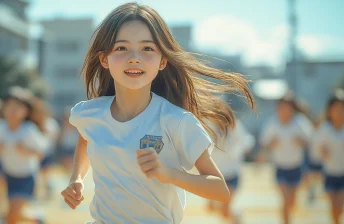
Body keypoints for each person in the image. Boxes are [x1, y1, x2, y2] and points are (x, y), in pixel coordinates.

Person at [61, 2, 255, 223]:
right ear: (104, 59)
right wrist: (77, 178)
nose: (134, 57)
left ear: (163, 60)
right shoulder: (89, 113)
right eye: (121, 48)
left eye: (147, 48)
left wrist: (169, 174)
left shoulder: (177, 121)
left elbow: (220, 190)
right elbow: (86, 138)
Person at [258, 91, 313, 224]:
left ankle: (288, 215)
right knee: (285, 199)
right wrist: (271, 144)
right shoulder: (272, 123)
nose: (284, 110)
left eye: (287, 107)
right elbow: (264, 142)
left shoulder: (299, 122)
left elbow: (310, 140)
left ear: (292, 109)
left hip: (296, 167)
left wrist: (301, 141)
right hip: (280, 167)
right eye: (281, 107)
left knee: (292, 201)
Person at [0, 87, 47, 224]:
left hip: (26, 177)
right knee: (12, 216)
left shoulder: (28, 129)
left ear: (26, 111)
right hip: (9, 175)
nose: (13, 110)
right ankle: (36, 219)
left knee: (11, 214)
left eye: (18, 107)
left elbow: (41, 154)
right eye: (9, 106)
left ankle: (35, 218)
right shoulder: (0, 127)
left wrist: (25, 150)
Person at [208, 119, 255, 223]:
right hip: (217, 174)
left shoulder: (235, 125)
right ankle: (237, 216)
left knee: (225, 207)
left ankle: (236, 216)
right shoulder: (210, 126)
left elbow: (248, 140)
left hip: (232, 173)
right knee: (221, 211)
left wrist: (239, 151)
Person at [312, 89, 344, 224]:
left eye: (342, 108)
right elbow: (315, 148)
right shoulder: (325, 129)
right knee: (333, 207)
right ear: (329, 111)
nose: (338, 112)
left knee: (339, 205)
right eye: (335, 108)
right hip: (330, 174)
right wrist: (322, 151)